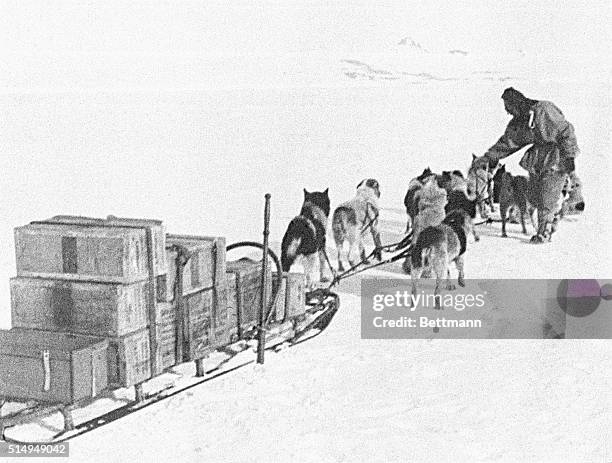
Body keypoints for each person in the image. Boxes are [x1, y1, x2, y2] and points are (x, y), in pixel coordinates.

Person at [474, 88, 579, 243]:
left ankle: (544, 232)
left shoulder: (544, 110)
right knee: (534, 196)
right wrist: (489, 157)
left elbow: (566, 131)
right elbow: (508, 143)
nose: (508, 112)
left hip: (557, 157)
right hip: (538, 159)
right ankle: (555, 216)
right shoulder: (520, 123)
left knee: (546, 197)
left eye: (509, 107)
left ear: (517, 104)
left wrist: (569, 157)